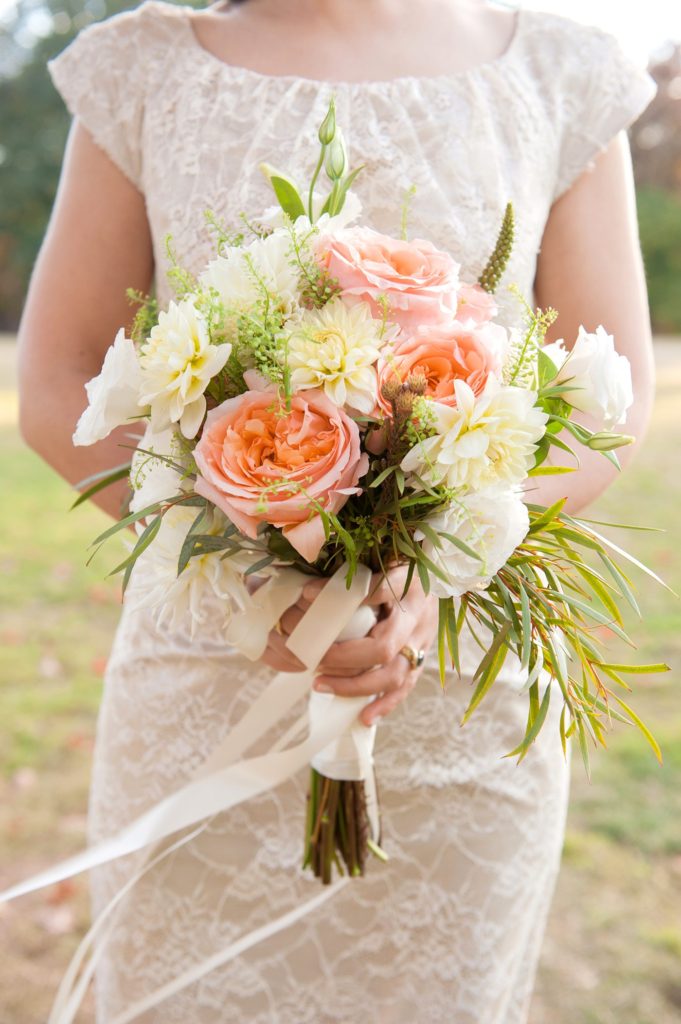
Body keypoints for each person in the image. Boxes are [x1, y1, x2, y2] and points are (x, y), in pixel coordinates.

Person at [17, 0, 656, 1020]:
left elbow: (604, 404)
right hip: (206, 683)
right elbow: (55, 382)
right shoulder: (145, 70)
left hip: (456, 707)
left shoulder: (559, 73)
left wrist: (430, 571)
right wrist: (246, 570)